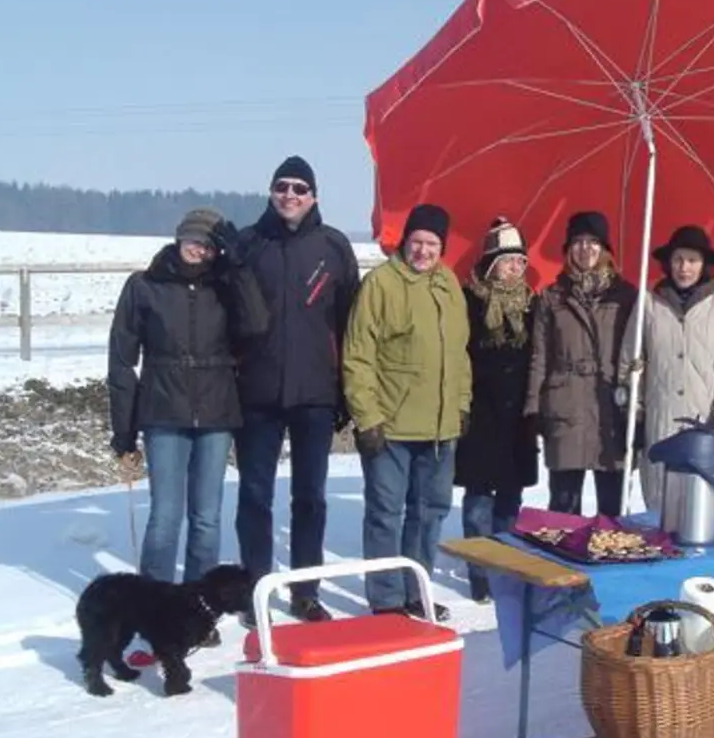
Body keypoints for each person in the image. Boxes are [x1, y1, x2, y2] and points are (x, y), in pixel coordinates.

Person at [108, 208, 270, 647]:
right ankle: (152, 606)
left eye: (209, 244)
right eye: (193, 240)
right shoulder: (144, 286)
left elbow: (257, 325)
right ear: (178, 239)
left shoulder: (225, 284)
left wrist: (237, 266)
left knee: (207, 518)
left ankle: (198, 610)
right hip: (163, 412)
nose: (200, 249)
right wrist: (122, 428)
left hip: (217, 412)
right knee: (165, 516)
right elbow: (121, 359)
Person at [211, 156, 360, 625]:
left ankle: (305, 591)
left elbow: (350, 323)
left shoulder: (333, 247)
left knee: (309, 497)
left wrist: (344, 392)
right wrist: (229, 268)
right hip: (257, 394)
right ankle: (257, 587)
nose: (290, 195)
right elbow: (226, 319)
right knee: (255, 496)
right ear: (271, 192)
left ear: (314, 195)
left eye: (300, 188)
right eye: (282, 187)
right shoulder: (250, 244)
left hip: (315, 395)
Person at [344, 204, 472, 620]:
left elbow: (459, 355)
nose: (423, 251)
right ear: (405, 242)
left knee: (429, 512)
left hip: (439, 428)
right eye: (416, 241)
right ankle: (385, 600)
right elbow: (358, 355)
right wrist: (368, 417)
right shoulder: (381, 284)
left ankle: (417, 590)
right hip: (391, 427)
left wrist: (461, 404)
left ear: (442, 247)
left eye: (432, 243)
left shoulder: (449, 285)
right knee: (385, 514)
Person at [622, 224, 714, 512]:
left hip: (706, 423)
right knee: (662, 506)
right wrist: (635, 413)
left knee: (708, 507)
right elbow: (631, 361)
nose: (684, 268)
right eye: (678, 260)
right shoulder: (648, 303)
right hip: (660, 419)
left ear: (704, 265)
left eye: (692, 260)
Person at [525, 211, 638, 516]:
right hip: (566, 407)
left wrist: (637, 403)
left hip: (611, 409)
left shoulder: (627, 296)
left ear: (605, 249)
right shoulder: (552, 297)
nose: (585, 249)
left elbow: (639, 350)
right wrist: (534, 407)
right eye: (578, 242)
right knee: (564, 506)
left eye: (593, 242)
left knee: (613, 508)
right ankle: (564, 564)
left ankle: (611, 564)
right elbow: (540, 355)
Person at [454, 218, 539, 603]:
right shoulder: (469, 301)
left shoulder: (532, 304)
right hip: (480, 415)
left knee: (510, 501)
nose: (515, 269)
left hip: (517, 418)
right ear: (491, 265)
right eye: (508, 262)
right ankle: (480, 573)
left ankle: (507, 567)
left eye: (520, 262)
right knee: (477, 503)